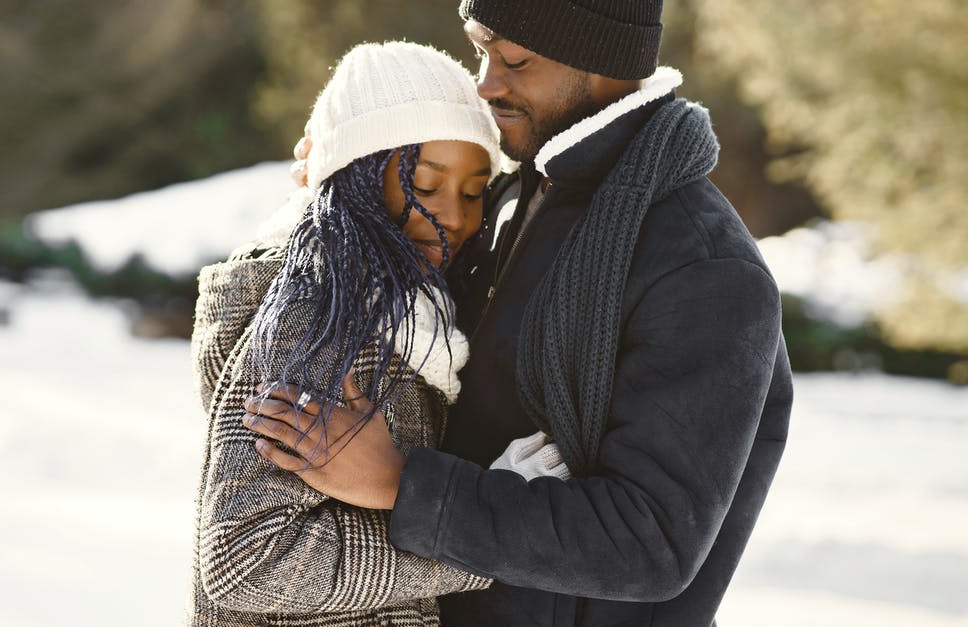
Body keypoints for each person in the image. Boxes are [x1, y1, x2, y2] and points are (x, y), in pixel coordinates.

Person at [244, 1, 794, 626]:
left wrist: (404, 484)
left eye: (514, 59)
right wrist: (329, 207)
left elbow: (649, 544)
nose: (487, 82)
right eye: (482, 50)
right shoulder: (511, 196)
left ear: (604, 60)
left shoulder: (701, 267)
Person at [189, 41, 504, 626]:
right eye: (426, 187)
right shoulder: (319, 315)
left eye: (473, 191)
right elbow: (245, 560)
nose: (457, 218)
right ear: (357, 178)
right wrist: (483, 543)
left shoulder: (402, 312)